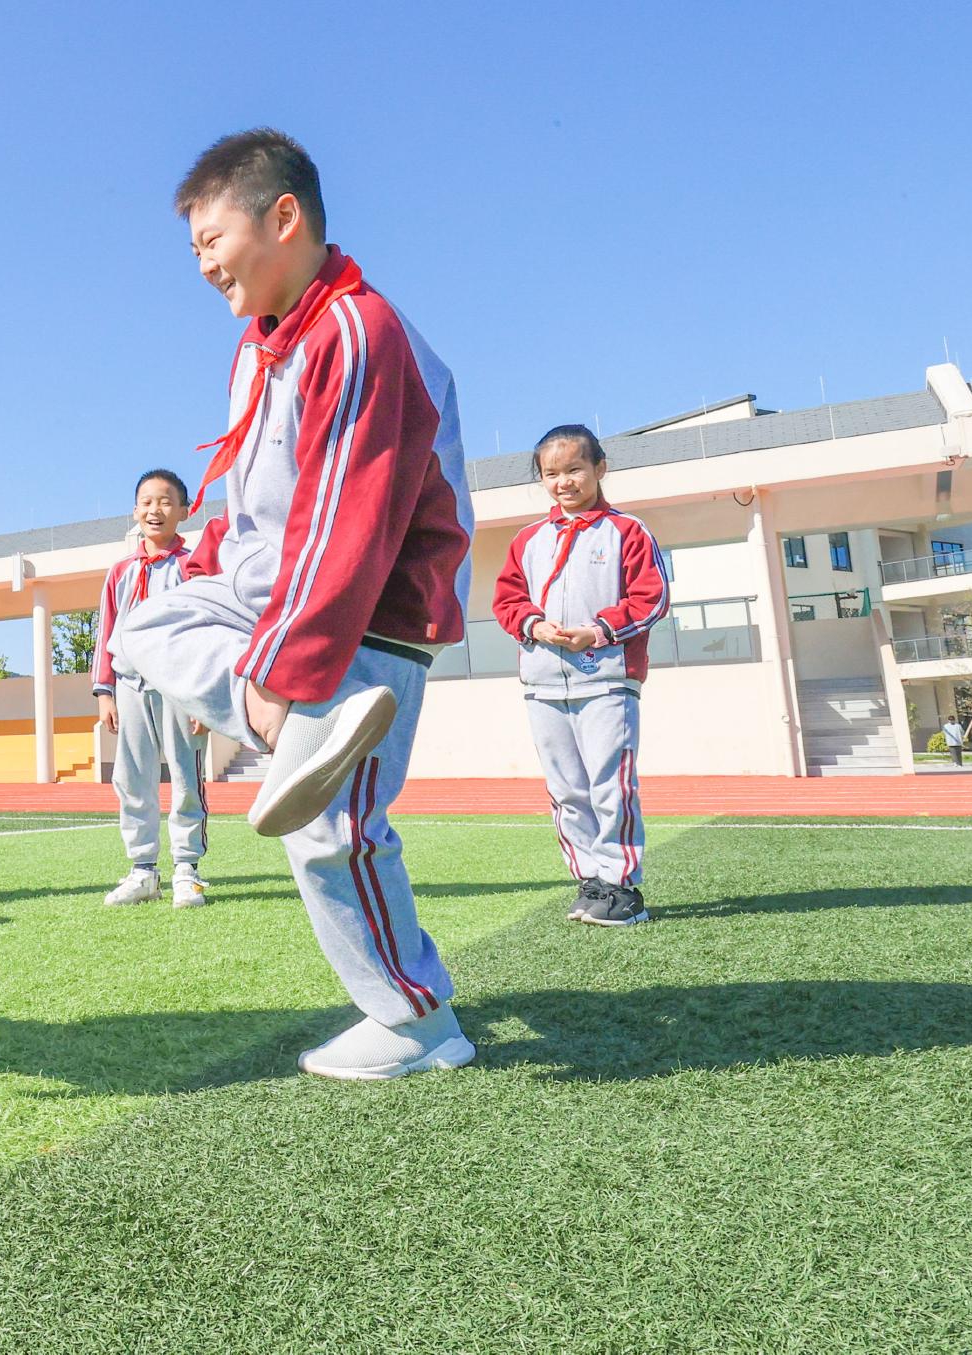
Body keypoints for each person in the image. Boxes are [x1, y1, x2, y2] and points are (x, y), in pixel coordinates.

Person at [110, 128, 476, 1080]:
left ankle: (418, 1020)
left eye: (209, 239)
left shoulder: (359, 328)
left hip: (363, 612)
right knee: (144, 617)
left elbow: (344, 523)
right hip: (275, 600)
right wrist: (216, 584)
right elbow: (254, 501)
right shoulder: (257, 350)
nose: (200, 263)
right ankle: (282, 719)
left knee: (336, 830)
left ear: (284, 217)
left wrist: (288, 663)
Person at [493, 425, 668, 927]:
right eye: (551, 473)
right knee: (566, 788)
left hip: (608, 678)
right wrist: (533, 624)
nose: (563, 482)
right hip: (543, 682)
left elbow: (651, 599)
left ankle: (621, 886)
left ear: (599, 468)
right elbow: (507, 600)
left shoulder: (627, 531)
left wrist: (599, 631)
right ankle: (589, 879)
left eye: (574, 469)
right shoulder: (528, 539)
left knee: (610, 783)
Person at [94, 468, 210, 907]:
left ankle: (187, 867)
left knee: (185, 774)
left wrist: (206, 696)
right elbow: (108, 628)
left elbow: (207, 630)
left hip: (181, 684)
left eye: (165, 501)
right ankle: (143, 868)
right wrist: (104, 690)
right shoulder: (121, 571)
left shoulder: (195, 566)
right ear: (135, 511)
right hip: (130, 684)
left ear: (184, 510)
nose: (154, 510)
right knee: (132, 777)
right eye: (146, 501)